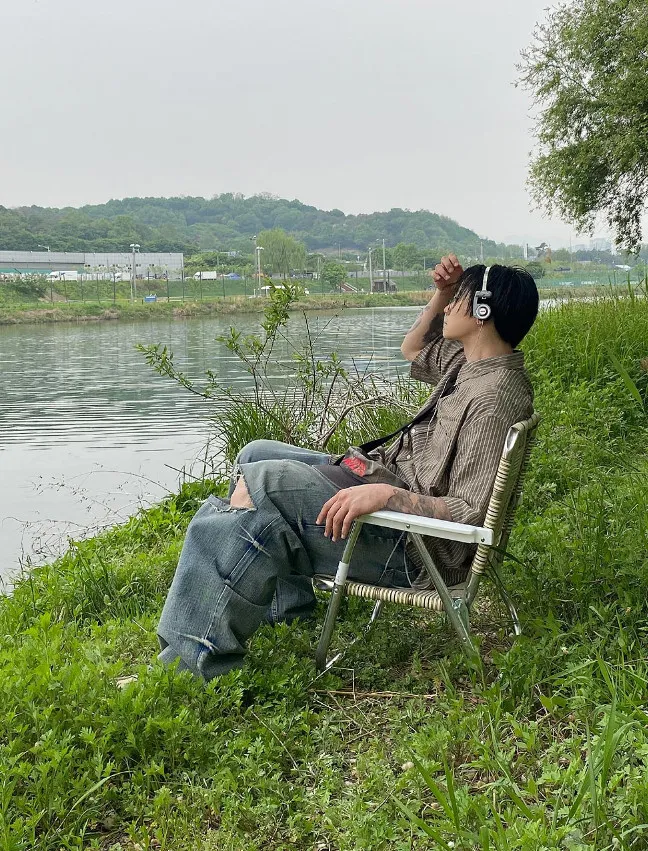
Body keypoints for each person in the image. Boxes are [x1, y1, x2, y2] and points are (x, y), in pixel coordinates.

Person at [157, 255, 539, 680]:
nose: (448, 308)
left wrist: (385, 495)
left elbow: (471, 511)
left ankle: (191, 665)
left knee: (259, 483)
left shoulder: (493, 397)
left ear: (482, 311)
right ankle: (290, 612)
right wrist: (442, 292)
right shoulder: (470, 364)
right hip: (386, 484)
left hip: (413, 548)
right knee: (254, 453)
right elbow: (412, 348)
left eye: (459, 299)